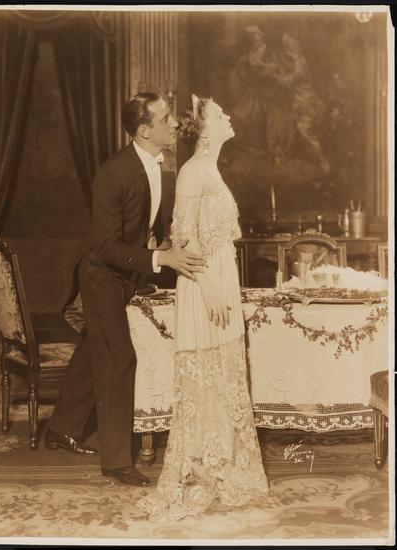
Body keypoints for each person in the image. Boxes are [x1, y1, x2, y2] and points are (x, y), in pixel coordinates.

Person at [45, 93, 206, 487]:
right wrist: (161, 259)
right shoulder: (112, 173)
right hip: (101, 274)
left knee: (94, 347)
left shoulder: (163, 167)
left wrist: (170, 246)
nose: (175, 123)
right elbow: (105, 246)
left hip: (127, 273)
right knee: (120, 357)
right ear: (144, 131)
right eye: (166, 119)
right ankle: (117, 461)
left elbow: (149, 229)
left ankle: (61, 429)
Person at [138, 95, 269, 521]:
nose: (228, 117)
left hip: (222, 281)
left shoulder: (212, 168)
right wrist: (210, 289)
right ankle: (199, 469)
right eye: (219, 114)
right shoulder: (193, 170)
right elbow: (184, 235)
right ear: (205, 130)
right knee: (205, 374)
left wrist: (223, 287)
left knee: (224, 374)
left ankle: (221, 467)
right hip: (202, 285)